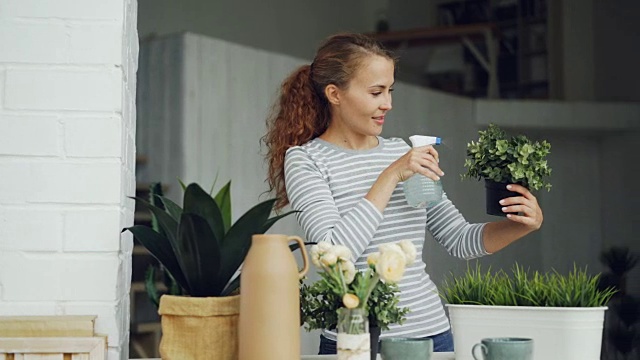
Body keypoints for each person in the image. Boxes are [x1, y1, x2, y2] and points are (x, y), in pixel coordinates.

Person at [262, 33, 543, 354]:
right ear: (334, 94)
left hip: (432, 335)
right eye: (376, 92)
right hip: (356, 339)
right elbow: (334, 257)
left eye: (390, 91)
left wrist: (521, 225)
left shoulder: (402, 152)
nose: (388, 104)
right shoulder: (307, 160)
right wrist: (391, 175)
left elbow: (460, 239)